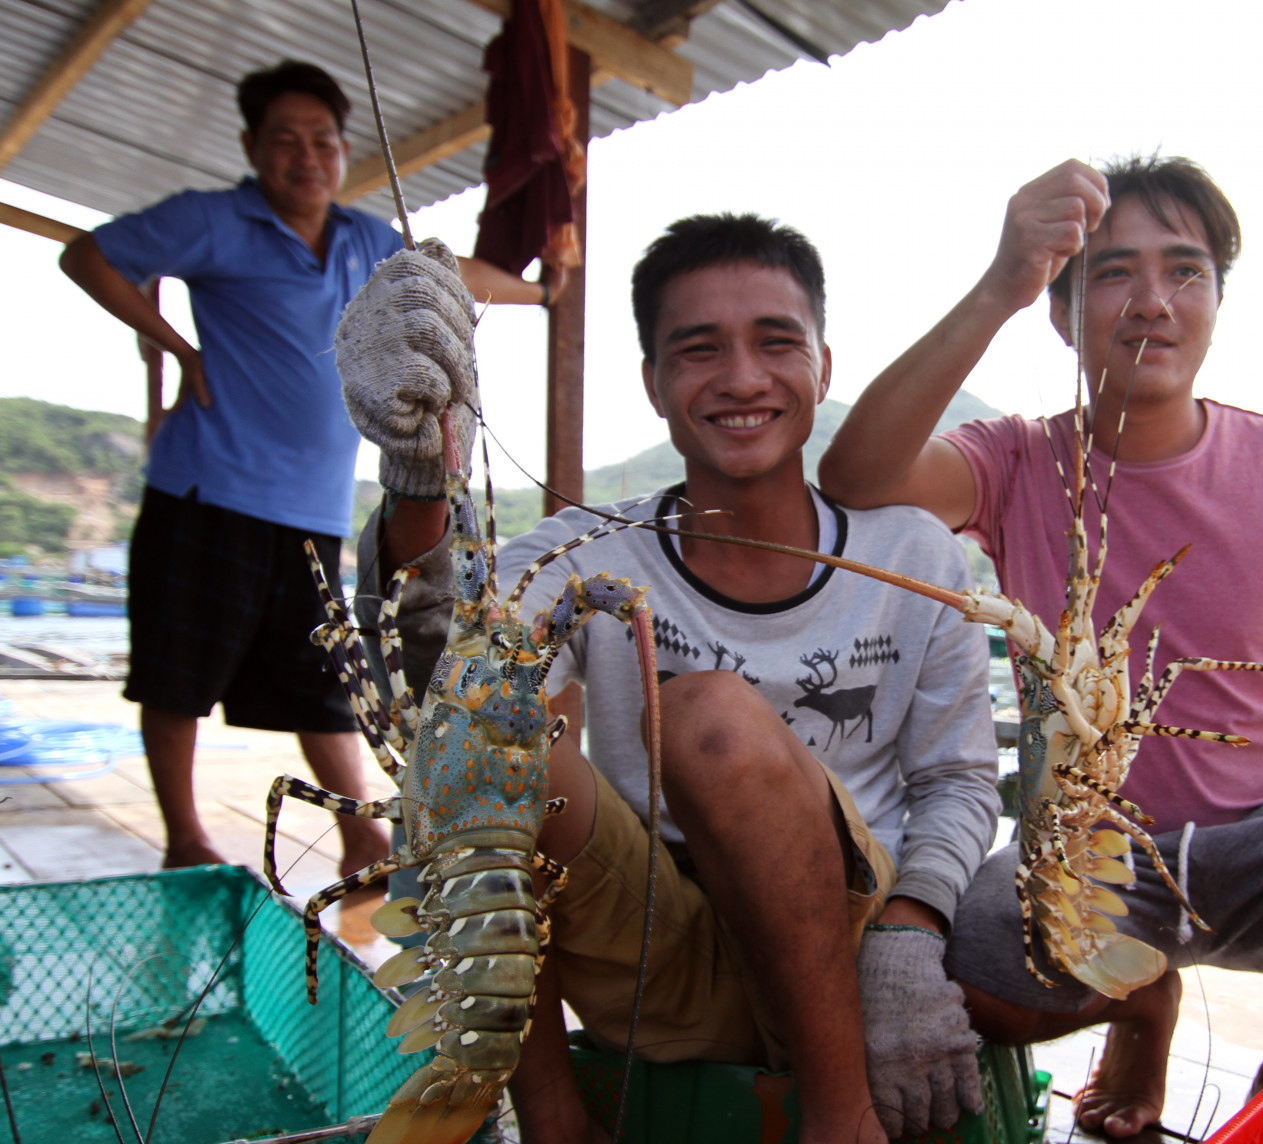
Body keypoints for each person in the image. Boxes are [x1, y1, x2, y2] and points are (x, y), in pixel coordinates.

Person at [819, 156, 1263, 1138]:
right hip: (1085, 855)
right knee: (945, 971)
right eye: (1113, 272)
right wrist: (1000, 284)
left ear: (1219, 302)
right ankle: (1141, 1005)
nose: (1153, 301)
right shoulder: (1017, 459)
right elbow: (855, 480)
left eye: (1185, 272)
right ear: (1062, 314)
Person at [342, 214, 1000, 1143]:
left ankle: (843, 1122)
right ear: (653, 383)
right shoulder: (581, 553)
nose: (741, 377)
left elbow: (959, 781)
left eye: (777, 342)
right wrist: (417, 476)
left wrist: (910, 929)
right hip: (652, 958)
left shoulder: (914, 553)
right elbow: (443, 663)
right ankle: (556, 1120)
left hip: (846, 954)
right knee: (483, 740)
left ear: (823, 365)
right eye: (698, 350)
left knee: (710, 721)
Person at [58, 61, 554, 873]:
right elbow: (86, 256)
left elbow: (455, 272)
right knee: (175, 676)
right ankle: (185, 839)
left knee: (327, 676)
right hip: (209, 488)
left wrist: (542, 293)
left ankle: (362, 833)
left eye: (322, 140)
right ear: (253, 147)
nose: (306, 156)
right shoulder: (212, 221)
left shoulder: (364, 239)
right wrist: (176, 345)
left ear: (345, 149)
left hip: (317, 508)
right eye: (285, 140)